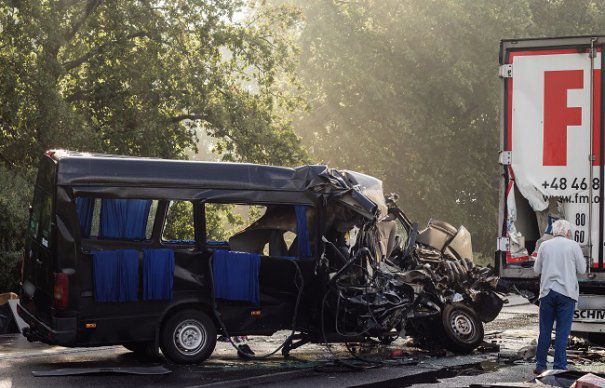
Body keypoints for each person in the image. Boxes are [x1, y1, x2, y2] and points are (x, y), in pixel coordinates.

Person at [533, 219, 587, 374]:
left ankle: (540, 365)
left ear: (553, 232)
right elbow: (582, 269)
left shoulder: (544, 245)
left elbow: (537, 270)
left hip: (547, 293)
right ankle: (559, 367)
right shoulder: (573, 246)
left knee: (545, 331)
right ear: (568, 232)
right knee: (562, 332)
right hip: (566, 293)